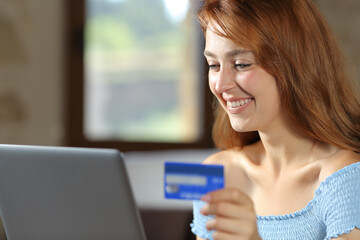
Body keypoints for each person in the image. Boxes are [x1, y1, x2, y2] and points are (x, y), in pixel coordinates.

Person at [190, 0, 360, 239]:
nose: (220, 84)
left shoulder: (343, 177)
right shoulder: (216, 173)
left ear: (294, 65)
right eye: (214, 65)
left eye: (241, 64)